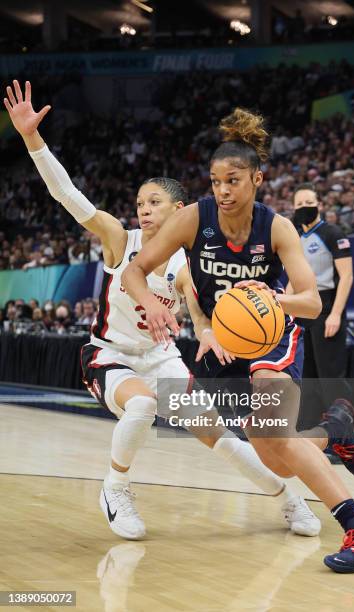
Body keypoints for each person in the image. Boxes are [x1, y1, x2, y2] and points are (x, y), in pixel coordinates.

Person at [4, 80, 321, 540]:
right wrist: (33, 139)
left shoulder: (188, 256)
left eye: (154, 202)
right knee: (143, 407)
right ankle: (115, 488)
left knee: (223, 439)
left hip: (162, 359)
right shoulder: (120, 240)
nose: (143, 211)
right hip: (110, 354)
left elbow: (198, 304)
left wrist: (208, 331)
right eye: (139, 203)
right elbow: (68, 196)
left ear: (179, 210)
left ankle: (288, 500)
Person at [122, 107, 354, 573]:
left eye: (233, 180)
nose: (223, 191)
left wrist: (272, 298)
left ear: (258, 179)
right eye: (215, 181)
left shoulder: (277, 227)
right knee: (279, 456)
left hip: (271, 339)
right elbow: (134, 270)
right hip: (225, 342)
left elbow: (310, 302)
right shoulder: (193, 219)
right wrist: (147, 300)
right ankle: (335, 433)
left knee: (272, 435)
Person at [291, 183, 354, 427]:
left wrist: (336, 314)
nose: (304, 208)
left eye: (309, 203)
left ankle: (342, 441)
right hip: (303, 310)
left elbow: (347, 277)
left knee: (330, 379)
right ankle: (308, 437)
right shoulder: (295, 237)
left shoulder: (333, 233)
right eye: (299, 204)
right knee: (307, 378)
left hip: (327, 308)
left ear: (319, 205)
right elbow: (292, 281)